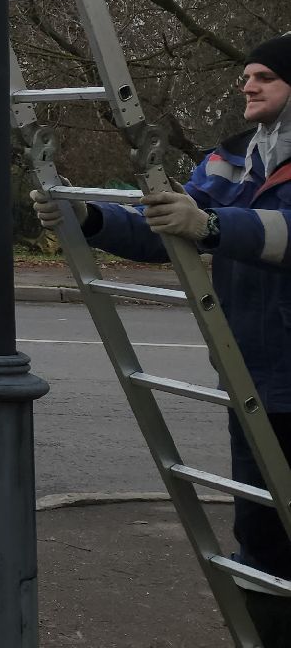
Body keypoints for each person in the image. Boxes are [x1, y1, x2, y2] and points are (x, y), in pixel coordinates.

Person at [34, 33, 291, 638]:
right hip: (250, 372)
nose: (246, 85)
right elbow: (165, 224)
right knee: (259, 525)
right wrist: (91, 218)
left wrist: (210, 224)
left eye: (264, 77)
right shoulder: (231, 159)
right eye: (246, 75)